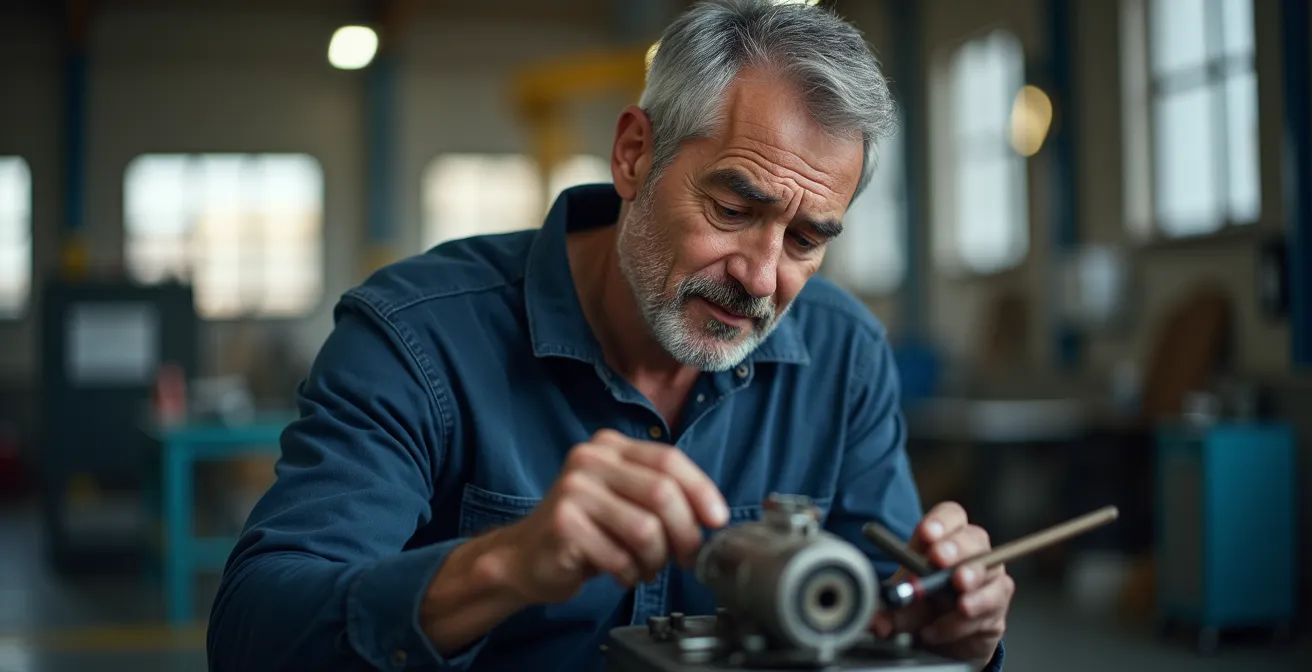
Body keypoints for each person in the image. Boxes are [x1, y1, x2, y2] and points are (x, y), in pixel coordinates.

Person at [207, 0, 1013, 670]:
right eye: (734, 210)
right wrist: (507, 564)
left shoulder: (844, 357)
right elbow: (256, 634)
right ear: (634, 156)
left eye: (806, 240)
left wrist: (951, 627)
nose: (763, 278)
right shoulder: (417, 339)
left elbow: (881, 614)